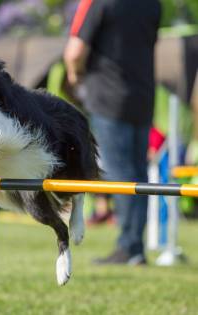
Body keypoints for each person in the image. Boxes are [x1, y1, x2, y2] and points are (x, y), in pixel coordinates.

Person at [64, 0, 161, 264]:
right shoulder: (152, 4)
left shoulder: (98, 2)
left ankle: (129, 247)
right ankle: (135, 247)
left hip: (108, 96)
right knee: (139, 174)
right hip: (143, 97)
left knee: (120, 173)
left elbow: (74, 53)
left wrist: (75, 77)